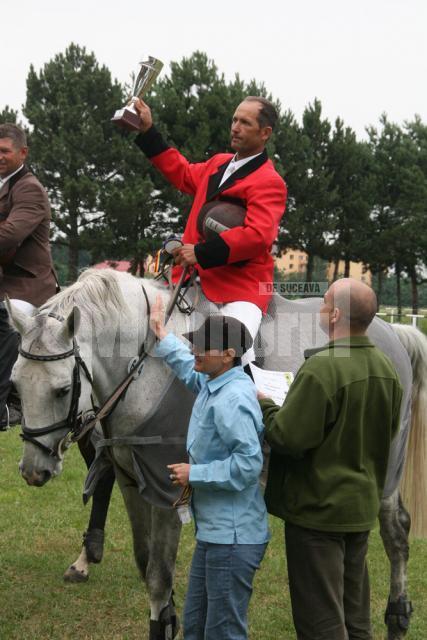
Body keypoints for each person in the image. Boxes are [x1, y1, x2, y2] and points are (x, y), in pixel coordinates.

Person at [258, 278, 402, 640]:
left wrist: (265, 403)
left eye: (323, 302)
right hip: (358, 511)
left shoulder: (322, 368)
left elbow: (287, 437)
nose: (319, 309)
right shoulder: (387, 368)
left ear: (335, 314)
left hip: (317, 513)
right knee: (356, 620)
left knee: (320, 622)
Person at [150, 295, 269, 640]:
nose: (196, 352)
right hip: (215, 535)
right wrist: (162, 334)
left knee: (223, 632)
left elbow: (248, 465)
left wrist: (195, 474)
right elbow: (189, 369)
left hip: (233, 540)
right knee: (198, 627)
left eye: (204, 347)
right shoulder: (215, 382)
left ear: (229, 355)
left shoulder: (233, 400)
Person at [134, 96, 287, 364]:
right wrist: (148, 131)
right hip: (189, 277)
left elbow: (257, 236)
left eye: (245, 123)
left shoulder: (270, 181)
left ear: (265, 133)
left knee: (236, 352)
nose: (235, 127)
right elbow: (181, 172)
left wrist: (202, 253)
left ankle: (251, 401)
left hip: (241, 289)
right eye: (234, 120)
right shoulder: (218, 163)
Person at [0, 123, 57, 429]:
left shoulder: (29, 188)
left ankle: (8, 407)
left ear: (22, 153)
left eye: (4, 151)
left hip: (27, 286)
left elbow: (10, 235)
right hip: (5, 282)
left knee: (4, 322)